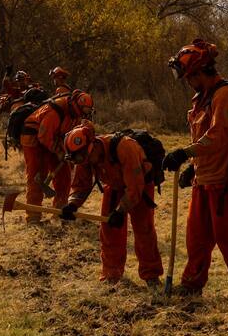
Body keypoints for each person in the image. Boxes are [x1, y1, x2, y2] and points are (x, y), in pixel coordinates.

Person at [162, 39, 228, 299]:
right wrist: (192, 169)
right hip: (204, 177)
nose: (187, 83)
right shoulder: (201, 99)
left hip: (225, 178)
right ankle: (192, 284)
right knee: (197, 236)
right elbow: (201, 138)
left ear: (198, 72)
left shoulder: (226, 95)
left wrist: (184, 153)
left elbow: (217, 136)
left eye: (188, 77)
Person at [62, 123, 164, 289]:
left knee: (143, 230)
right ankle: (111, 275)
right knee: (109, 231)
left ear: (92, 146)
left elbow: (134, 188)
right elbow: (80, 185)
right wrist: (72, 204)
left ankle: (151, 276)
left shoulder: (125, 147)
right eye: (77, 159)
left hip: (140, 186)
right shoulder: (83, 156)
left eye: (82, 158)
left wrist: (120, 211)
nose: (82, 162)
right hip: (115, 185)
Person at [18, 91, 94, 223]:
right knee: (37, 176)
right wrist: (58, 151)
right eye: (84, 111)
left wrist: (66, 152)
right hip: (34, 139)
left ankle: (60, 214)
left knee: (64, 176)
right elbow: (44, 136)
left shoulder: (75, 115)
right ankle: (33, 217)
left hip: (53, 139)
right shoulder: (56, 111)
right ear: (77, 106)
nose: (85, 115)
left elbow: (68, 136)